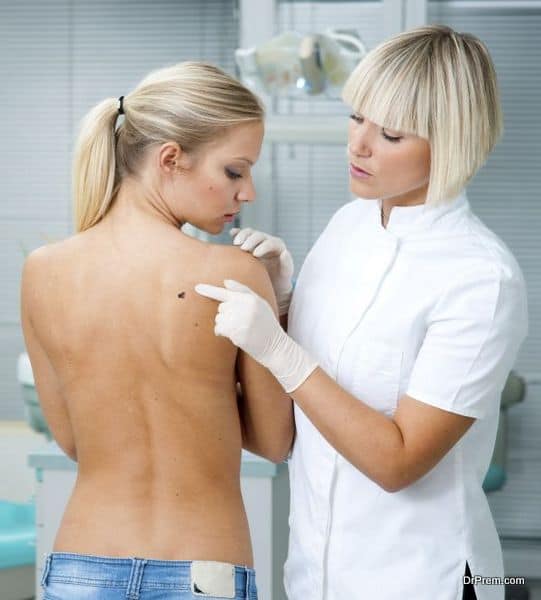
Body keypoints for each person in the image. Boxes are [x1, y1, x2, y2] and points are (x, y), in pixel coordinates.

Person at [195, 25, 529, 600]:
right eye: (357, 118)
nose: (359, 146)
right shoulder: (351, 223)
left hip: (426, 579)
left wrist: (277, 348)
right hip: (316, 573)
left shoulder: (481, 279)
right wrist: (282, 302)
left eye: (391, 133)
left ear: (453, 142)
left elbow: (397, 462)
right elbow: (335, 367)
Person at [20, 61, 294, 600]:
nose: (248, 194)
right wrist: (279, 308)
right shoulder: (236, 275)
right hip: (203, 572)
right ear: (171, 158)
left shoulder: (41, 272)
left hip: (82, 567)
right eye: (235, 171)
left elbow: (74, 441)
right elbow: (274, 440)